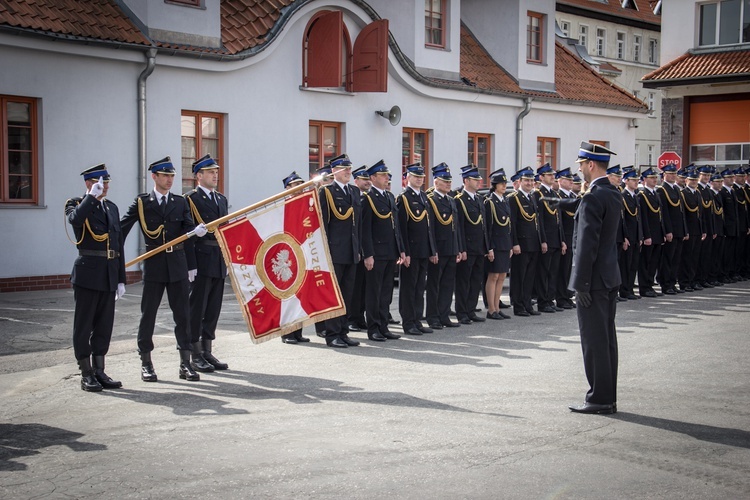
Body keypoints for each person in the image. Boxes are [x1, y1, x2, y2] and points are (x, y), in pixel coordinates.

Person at [121, 156, 208, 382]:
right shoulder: (142, 203)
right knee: (148, 315)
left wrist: (196, 231)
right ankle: (146, 363)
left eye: (172, 176)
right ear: (154, 177)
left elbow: (188, 229)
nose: (170, 180)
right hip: (155, 264)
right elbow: (121, 230)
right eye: (165, 176)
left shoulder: (179, 202)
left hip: (177, 264)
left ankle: (185, 363)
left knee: (183, 316)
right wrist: (114, 266)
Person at [568, 142, 622, 415]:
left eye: (580, 164)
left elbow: (586, 245)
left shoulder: (592, 197)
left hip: (594, 282)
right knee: (607, 340)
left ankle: (599, 399)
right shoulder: (611, 192)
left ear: (591, 164)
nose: (578, 169)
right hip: (609, 278)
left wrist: (581, 284)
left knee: (594, 342)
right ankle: (607, 396)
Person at [65, 164, 126, 392]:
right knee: (84, 325)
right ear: (89, 183)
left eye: (107, 182)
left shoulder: (111, 208)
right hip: (88, 273)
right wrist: (90, 197)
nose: (105, 187)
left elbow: (118, 244)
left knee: (104, 325)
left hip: (109, 273)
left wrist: (121, 278)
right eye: (101, 182)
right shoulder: (76, 204)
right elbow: (75, 221)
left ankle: (100, 370)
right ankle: (86, 372)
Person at [185, 154, 230, 369]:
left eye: (216, 172)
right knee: (197, 309)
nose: (215, 175)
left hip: (218, 259)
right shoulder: (190, 199)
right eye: (210, 172)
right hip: (201, 259)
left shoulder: (221, 199)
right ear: (198, 176)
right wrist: (190, 264)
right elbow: (186, 233)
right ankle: (195, 354)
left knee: (213, 309)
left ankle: (207, 350)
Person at [318, 154, 362, 348]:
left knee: (347, 293)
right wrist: (324, 251)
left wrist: (359, 248)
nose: (348, 172)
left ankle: (343, 331)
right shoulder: (326, 192)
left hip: (351, 250)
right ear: (334, 171)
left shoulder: (354, 191)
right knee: (333, 295)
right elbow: (323, 224)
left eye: (349, 169)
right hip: (335, 251)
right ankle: (332, 333)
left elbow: (357, 224)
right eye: (344, 169)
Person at [361, 160, 404, 342]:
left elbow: (395, 227)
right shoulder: (368, 198)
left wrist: (400, 249)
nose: (387, 178)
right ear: (373, 178)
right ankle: (374, 328)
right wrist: (368, 254)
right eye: (383, 175)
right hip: (376, 253)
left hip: (390, 252)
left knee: (386, 292)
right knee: (374, 292)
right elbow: (365, 229)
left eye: (387, 175)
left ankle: (384, 325)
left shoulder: (388, 196)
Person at [397, 163, 437, 335]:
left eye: (421, 177)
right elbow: (402, 228)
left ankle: (417, 320)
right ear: (407, 178)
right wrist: (404, 252)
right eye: (416, 176)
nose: (420, 179)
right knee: (409, 288)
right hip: (411, 251)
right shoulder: (404, 198)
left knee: (420, 287)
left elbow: (429, 227)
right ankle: (408, 322)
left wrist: (432, 249)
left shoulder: (424, 198)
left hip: (423, 250)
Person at [278, 171, 311, 345]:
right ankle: (287, 332)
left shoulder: (303, 205)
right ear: (287, 188)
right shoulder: (282, 206)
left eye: (300, 185)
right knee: (289, 295)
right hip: (286, 256)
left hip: (302, 254)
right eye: (296, 185)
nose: (299, 188)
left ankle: (298, 331)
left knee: (300, 295)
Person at [454, 164, 490, 324]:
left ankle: (471, 309)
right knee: (463, 281)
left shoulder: (479, 199)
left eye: (479, 179)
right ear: (466, 180)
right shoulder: (459, 200)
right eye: (475, 179)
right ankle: (462, 312)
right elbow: (459, 227)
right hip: (467, 247)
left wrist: (487, 247)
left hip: (479, 247)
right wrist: (461, 248)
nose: (478, 182)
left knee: (476, 280)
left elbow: (484, 227)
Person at [509, 167, 545, 317]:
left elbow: (537, 221)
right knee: (519, 276)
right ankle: (518, 306)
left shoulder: (532, 197)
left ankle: (527, 303)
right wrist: (515, 243)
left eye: (531, 180)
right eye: (527, 180)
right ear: (520, 181)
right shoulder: (514, 198)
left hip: (534, 243)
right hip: (522, 244)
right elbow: (513, 223)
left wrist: (542, 240)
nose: (530, 183)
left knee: (530, 276)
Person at [533, 163, 565, 313]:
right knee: (543, 272)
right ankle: (543, 301)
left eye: (553, 175)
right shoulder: (538, 194)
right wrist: (543, 240)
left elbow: (558, 220)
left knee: (553, 272)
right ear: (541, 177)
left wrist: (562, 239)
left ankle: (550, 299)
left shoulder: (554, 194)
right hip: (547, 240)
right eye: (549, 175)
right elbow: (540, 221)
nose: (553, 177)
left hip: (556, 240)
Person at [484, 168, 512, 320]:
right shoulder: (490, 202)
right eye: (501, 183)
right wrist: (489, 247)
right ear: (494, 185)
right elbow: (488, 227)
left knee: (502, 276)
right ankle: (491, 309)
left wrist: (510, 245)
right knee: (493, 276)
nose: (504, 185)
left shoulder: (505, 200)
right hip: (495, 244)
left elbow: (509, 225)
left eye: (505, 183)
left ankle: (497, 307)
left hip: (505, 243)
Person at [347, 165, 371, 332]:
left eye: (368, 179)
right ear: (356, 181)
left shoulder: (365, 198)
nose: (367, 182)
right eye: (364, 179)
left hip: (363, 249)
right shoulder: (356, 198)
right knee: (354, 287)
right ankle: (352, 318)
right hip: (355, 249)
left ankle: (359, 316)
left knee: (362, 286)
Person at [656, 164, 686, 295]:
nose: (673, 176)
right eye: (671, 174)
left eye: (675, 174)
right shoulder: (662, 190)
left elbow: (681, 212)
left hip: (679, 230)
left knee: (676, 259)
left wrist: (685, 230)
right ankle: (666, 284)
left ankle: (672, 283)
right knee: (667, 259)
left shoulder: (676, 189)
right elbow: (665, 213)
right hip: (671, 230)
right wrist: (667, 230)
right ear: (664, 175)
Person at [637, 167, 665, 298]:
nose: (654, 180)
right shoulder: (642, 196)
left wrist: (663, 232)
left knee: (653, 262)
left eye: (655, 178)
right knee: (645, 262)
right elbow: (643, 218)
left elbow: (660, 216)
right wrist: (646, 235)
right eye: (652, 178)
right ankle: (644, 287)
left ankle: (650, 285)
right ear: (644, 180)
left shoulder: (655, 194)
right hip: (649, 234)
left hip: (658, 234)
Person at [678, 169, 705, 291]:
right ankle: (684, 282)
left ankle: (692, 280)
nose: (694, 182)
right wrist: (685, 231)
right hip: (689, 230)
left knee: (695, 258)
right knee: (687, 258)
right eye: (692, 180)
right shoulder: (683, 193)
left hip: (697, 230)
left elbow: (701, 214)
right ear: (686, 180)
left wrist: (703, 229)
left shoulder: (698, 193)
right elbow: (682, 214)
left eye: (696, 180)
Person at [555, 168, 578, 309]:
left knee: (569, 269)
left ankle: (568, 295)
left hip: (573, 238)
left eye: (571, 180)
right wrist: (562, 239)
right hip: (565, 238)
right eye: (568, 180)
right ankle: (561, 297)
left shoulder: (573, 197)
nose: (571, 182)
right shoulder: (559, 197)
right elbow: (560, 222)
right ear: (560, 181)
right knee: (562, 270)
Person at [618, 168, 642, 300]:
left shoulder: (635, 196)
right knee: (625, 265)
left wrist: (641, 236)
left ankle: (630, 289)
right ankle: (624, 290)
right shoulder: (623, 196)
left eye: (637, 180)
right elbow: (623, 219)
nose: (636, 182)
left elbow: (639, 218)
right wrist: (625, 237)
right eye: (633, 180)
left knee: (633, 264)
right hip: (628, 236)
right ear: (626, 181)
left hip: (636, 236)